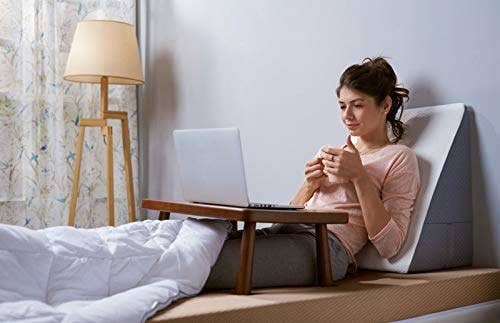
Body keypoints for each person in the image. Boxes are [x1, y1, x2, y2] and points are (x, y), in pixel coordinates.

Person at [204, 57, 421, 289]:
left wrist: (359, 176)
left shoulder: (398, 157)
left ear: (385, 106)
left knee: (205, 263)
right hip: (286, 230)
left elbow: (390, 246)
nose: (347, 115)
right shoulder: (334, 153)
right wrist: (309, 186)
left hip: (326, 248)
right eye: (342, 105)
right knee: (195, 245)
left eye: (357, 105)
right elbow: (294, 211)